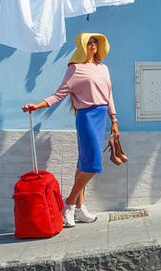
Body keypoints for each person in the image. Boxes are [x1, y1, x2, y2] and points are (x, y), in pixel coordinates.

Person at [21, 32, 127, 228]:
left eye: (96, 41)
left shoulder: (103, 68)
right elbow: (59, 94)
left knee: (83, 163)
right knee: (93, 164)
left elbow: (109, 95)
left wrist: (114, 119)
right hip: (86, 117)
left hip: (102, 116)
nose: (93, 44)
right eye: (90, 41)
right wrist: (36, 106)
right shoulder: (74, 69)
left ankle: (80, 208)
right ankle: (68, 204)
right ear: (82, 46)